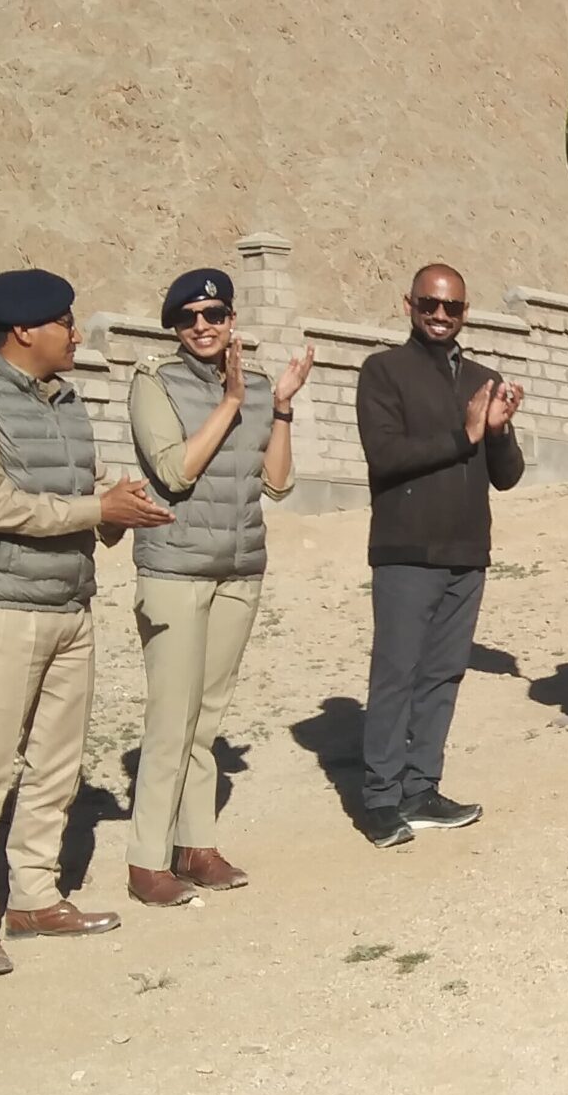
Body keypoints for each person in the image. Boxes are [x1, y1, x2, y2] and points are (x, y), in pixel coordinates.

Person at [0, 269, 174, 979]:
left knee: (55, 768)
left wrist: (117, 507)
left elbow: (80, 490)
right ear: (23, 332)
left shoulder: (66, 399)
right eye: (65, 322)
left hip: (69, 606)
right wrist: (99, 512)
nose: (76, 333)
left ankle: (35, 896)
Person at [123, 268, 313, 904]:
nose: (201, 326)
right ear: (174, 328)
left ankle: (195, 844)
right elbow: (175, 471)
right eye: (188, 318)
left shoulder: (257, 388)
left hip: (239, 568)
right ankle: (148, 857)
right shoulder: (154, 383)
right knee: (170, 718)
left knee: (207, 718)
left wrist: (279, 403)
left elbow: (279, 484)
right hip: (175, 567)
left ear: (231, 320)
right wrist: (230, 401)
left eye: (213, 314)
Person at [351, 262, 524, 846]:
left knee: (443, 675)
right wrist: (465, 435)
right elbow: (386, 457)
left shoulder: (483, 377)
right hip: (406, 551)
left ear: (466, 311)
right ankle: (379, 798)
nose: (441, 316)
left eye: (452, 308)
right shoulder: (383, 372)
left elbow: (508, 476)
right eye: (430, 305)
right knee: (396, 674)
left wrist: (498, 432)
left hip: (467, 552)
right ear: (409, 305)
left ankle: (421, 786)